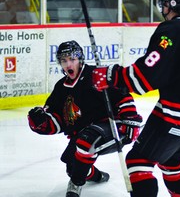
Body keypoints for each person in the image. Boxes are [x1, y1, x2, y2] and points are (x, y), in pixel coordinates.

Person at [92, 0, 180, 196]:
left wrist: (111, 75)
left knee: (138, 162)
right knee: (172, 163)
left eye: (164, 4)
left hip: (174, 116)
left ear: (172, 4)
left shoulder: (172, 30)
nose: (162, 8)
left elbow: (144, 78)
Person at [27, 40, 143, 197]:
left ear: (80, 60)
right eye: (64, 61)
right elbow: (58, 121)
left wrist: (130, 118)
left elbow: (122, 95)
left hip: (114, 127)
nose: (68, 64)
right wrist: (40, 122)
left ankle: (75, 185)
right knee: (73, 167)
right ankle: (98, 176)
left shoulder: (95, 75)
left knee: (85, 143)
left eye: (72, 59)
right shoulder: (61, 88)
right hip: (83, 133)